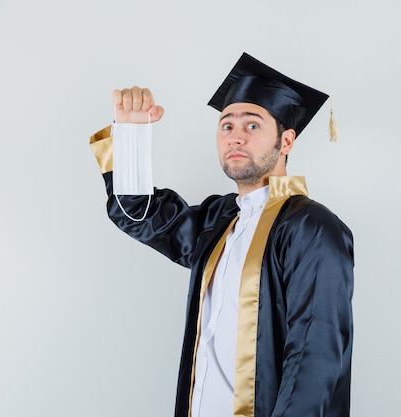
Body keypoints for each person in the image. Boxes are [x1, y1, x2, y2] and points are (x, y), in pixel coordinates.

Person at [89, 52, 354, 417]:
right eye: (227, 126)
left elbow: (314, 357)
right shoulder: (220, 219)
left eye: (253, 126)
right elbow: (138, 214)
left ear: (287, 141)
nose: (236, 137)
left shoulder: (310, 227)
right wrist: (132, 133)